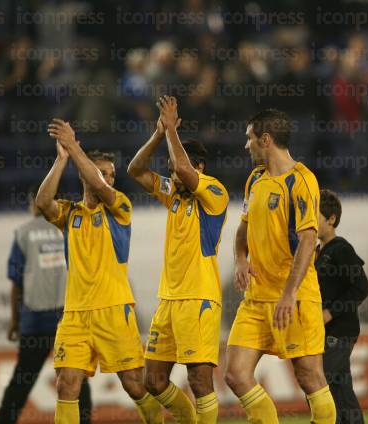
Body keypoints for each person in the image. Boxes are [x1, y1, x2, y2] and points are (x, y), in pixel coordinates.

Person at [38, 120, 163, 424]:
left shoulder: (120, 208)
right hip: (76, 314)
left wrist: (73, 145)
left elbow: (98, 187)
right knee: (66, 384)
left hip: (113, 310)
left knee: (134, 384)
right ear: (84, 173)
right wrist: (62, 158)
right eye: (102, 173)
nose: (108, 179)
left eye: (111, 175)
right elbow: (43, 202)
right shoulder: (71, 213)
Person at [225, 108, 336, 423]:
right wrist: (241, 259)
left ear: (266, 139)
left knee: (309, 377)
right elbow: (243, 229)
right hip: (256, 298)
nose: (246, 146)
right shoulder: (255, 180)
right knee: (235, 374)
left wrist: (289, 294)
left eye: (249, 139)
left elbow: (307, 241)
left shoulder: (301, 181)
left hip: (295, 298)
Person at [127, 96, 228, 424]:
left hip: (199, 298)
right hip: (168, 300)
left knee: (199, 381)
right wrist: (158, 134)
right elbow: (135, 170)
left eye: (177, 170)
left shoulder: (214, 194)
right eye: (169, 172)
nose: (172, 176)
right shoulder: (174, 195)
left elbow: (182, 167)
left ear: (199, 168)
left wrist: (171, 129)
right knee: (153, 380)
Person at [0, 187, 92, 424]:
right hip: (68, 319)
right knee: (77, 380)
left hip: (35, 321)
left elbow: (16, 282)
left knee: (21, 381)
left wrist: (15, 321)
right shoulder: (72, 226)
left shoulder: (23, 233)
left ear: (33, 203)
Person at [316, 189, 368, 423]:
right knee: (340, 392)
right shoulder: (318, 252)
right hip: (326, 333)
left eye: (313, 215)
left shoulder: (341, 248)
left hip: (339, 332)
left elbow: (362, 286)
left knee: (319, 386)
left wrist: (330, 312)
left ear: (331, 219)